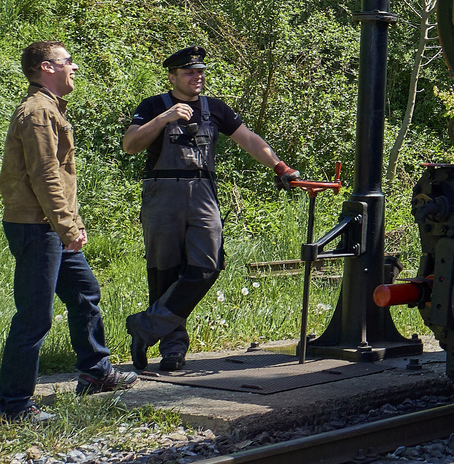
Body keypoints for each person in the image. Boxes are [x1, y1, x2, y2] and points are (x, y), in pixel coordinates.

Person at [121, 46, 298, 372]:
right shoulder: (152, 106)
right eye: (189, 72)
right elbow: (130, 145)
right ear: (172, 76)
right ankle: (173, 350)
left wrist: (280, 167)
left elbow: (249, 139)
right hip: (163, 192)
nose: (197, 76)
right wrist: (164, 118)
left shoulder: (215, 109)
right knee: (165, 271)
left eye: (200, 71)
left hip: (202, 192)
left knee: (208, 266)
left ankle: (146, 326)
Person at [2, 42, 137, 422]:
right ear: (47, 68)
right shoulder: (38, 113)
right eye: (67, 61)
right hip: (37, 226)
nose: (74, 67)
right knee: (34, 316)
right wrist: (67, 226)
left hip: (50, 224)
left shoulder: (50, 109)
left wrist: (69, 223)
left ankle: (95, 373)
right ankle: (13, 405)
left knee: (84, 293)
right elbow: (45, 175)